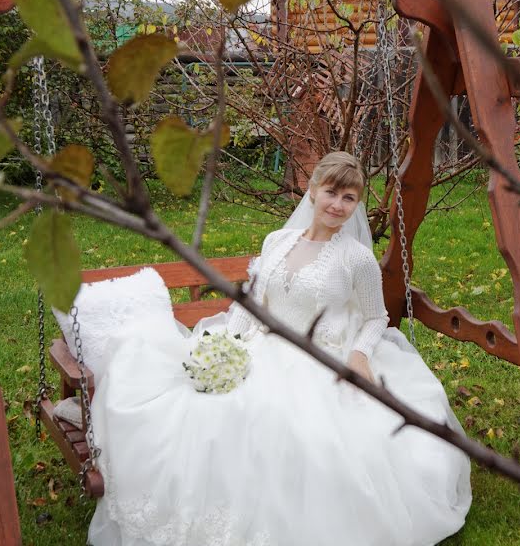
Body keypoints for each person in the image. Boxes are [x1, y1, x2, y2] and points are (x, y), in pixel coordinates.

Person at [87, 152, 472, 546]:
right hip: (261, 344)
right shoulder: (278, 241)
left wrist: (360, 355)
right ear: (312, 191)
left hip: (322, 357)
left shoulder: (357, 259)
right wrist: (227, 343)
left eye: (349, 198)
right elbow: (254, 299)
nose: (338, 206)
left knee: (287, 424)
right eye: (331, 193)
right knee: (204, 412)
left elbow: (376, 318)